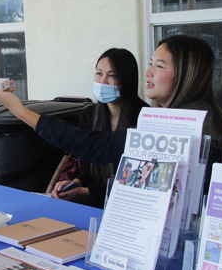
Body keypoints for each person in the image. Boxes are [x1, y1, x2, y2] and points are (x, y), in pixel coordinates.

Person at [0, 35, 222, 193]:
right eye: (150, 63)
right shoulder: (198, 115)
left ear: (185, 76)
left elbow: (96, 147)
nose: (148, 72)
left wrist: (19, 111)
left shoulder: (180, 124)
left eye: (159, 66)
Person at [50, 48, 149, 208]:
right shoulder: (89, 115)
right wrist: (77, 182)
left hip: (129, 202)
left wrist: (86, 191)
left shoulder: (145, 117)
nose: (103, 82)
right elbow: (88, 165)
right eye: (99, 74)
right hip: (94, 195)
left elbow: (136, 182)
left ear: (128, 80)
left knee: (73, 203)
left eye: (112, 75)